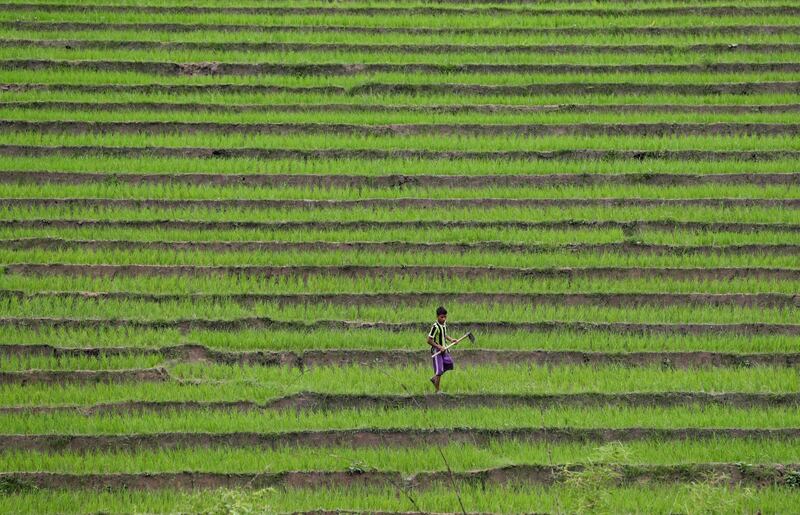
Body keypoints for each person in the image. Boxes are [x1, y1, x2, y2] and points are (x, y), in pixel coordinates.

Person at [428, 305, 457, 393]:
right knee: (439, 371)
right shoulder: (435, 327)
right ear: (437, 317)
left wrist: (452, 340)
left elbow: (444, 334)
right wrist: (439, 347)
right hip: (437, 351)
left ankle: (434, 378)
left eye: (445, 317)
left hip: (444, 350)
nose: (444, 319)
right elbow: (429, 340)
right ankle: (437, 391)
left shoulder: (443, 325)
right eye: (442, 317)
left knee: (449, 364)